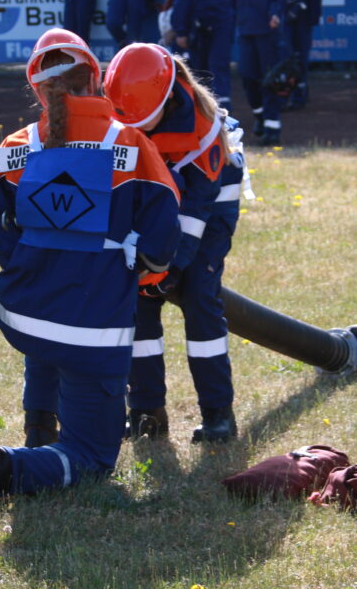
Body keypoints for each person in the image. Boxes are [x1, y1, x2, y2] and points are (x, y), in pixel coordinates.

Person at [0, 29, 181, 505]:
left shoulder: (14, 146)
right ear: (95, 79)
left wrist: (34, 264)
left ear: (39, 91)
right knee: (91, 460)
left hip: (23, 315)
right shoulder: (131, 144)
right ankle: (0, 465)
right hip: (93, 329)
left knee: (51, 331)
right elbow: (163, 236)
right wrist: (140, 272)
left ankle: (38, 426)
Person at [104, 43, 246, 443]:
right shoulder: (122, 110)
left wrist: (172, 265)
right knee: (138, 301)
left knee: (200, 295)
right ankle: (147, 413)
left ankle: (218, 414)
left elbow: (196, 211)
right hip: (158, 199)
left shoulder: (205, 131)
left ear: (167, 99)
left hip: (209, 206)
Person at [229, 0, 287, 145]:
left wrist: (275, 14)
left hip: (266, 32)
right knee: (247, 77)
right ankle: (261, 117)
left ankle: (273, 128)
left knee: (270, 79)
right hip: (245, 30)